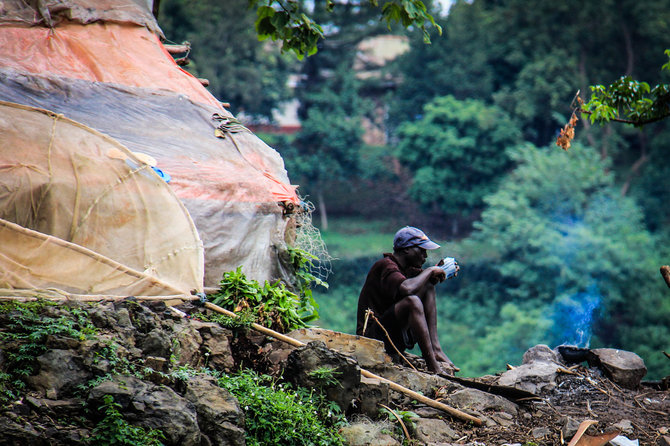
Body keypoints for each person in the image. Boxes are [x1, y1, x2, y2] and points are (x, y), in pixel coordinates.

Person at [356, 226, 459, 374]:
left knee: (428, 286)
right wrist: (430, 271)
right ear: (407, 249)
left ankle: (436, 350)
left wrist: (443, 270)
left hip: (390, 335)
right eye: (422, 250)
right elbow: (408, 289)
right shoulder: (385, 265)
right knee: (412, 302)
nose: (425, 256)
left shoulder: (406, 269)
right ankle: (433, 366)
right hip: (372, 339)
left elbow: (424, 282)